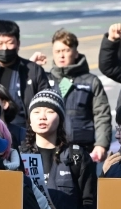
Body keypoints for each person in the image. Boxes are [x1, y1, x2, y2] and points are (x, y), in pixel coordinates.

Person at [33, 29, 112, 161]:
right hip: (52, 148)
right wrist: (32, 69)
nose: (61, 55)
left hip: (84, 149)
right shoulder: (43, 79)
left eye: (66, 50)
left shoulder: (90, 81)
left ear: (76, 53)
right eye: (58, 51)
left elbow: (101, 114)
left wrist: (101, 144)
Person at [0, 19, 51, 126]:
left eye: (10, 43)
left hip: (26, 130)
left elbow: (46, 101)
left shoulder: (33, 70)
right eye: (0, 43)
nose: (5, 48)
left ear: (18, 44)